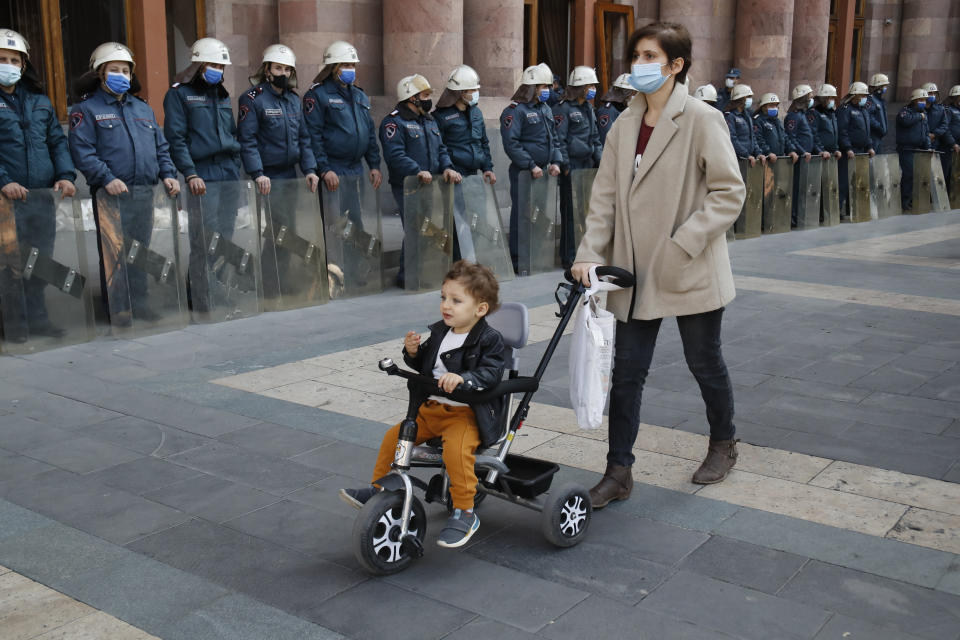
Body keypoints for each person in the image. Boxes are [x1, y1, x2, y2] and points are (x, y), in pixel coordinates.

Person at [571, 22, 745, 507]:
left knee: (704, 362)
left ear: (676, 65)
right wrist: (589, 253)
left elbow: (730, 191)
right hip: (632, 270)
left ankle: (723, 443)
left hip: (687, 264)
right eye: (636, 55)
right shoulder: (624, 124)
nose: (640, 65)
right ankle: (618, 470)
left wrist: (684, 241)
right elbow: (603, 197)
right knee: (626, 373)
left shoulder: (702, 119)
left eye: (651, 56)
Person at [340, 260, 506, 548]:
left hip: (465, 414)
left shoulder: (489, 340)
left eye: (456, 300)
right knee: (394, 437)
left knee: (456, 451)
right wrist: (412, 352)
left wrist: (463, 377)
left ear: (480, 309)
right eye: (443, 298)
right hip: (432, 410)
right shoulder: (443, 331)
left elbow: (491, 373)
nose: (446, 305)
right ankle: (379, 488)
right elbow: (425, 364)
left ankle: (465, 511)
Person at [69, 42, 179, 326]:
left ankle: (139, 303)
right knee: (114, 251)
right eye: (114, 70)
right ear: (100, 74)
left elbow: (161, 147)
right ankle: (117, 308)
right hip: (110, 194)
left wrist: (167, 173)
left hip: (143, 192)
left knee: (138, 250)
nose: (121, 75)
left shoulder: (142, 108)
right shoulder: (86, 109)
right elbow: (83, 152)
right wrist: (107, 178)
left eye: (126, 71)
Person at [0, 29, 76, 342]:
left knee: (39, 259)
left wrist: (66, 176)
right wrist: (4, 181)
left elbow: (57, 143)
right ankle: (13, 323)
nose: (8, 64)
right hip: (6, 200)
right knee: (10, 262)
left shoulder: (40, 102)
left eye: (13, 59)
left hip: (42, 197)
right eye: (2, 59)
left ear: (24, 64)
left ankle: (39, 319)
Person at [163, 37, 245, 315]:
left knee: (225, 236)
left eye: (221, 65)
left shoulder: (221, 94)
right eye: (212, 64)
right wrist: (189, 172)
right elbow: (176, 138)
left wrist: (236, 170)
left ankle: (218, 287)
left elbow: (231, 135)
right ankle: (200, 293)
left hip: (228, 173)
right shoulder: (179, 94)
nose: (217, 70)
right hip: (202, 173)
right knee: (204, 238)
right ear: (198, 64)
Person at [237, 44, 319, 299]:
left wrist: (310, 169)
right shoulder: (252, 99)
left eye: (286, 68)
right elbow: (247, 140)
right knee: (275, 232)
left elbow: (304, 138)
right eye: (278, 68)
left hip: (290, 175)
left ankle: (279, 280)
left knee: (287, 231)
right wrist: (258, 172)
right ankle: (270, 284)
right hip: (267, 177)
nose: (282, 72)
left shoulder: (293, 99)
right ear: (267, 70)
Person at [379, 74, 461, 287]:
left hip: (431, 184)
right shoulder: (394, 122)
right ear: (411, 97)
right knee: (415, 229)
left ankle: (422, 271)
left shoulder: (428, 120)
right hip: (409, 186)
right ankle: (408, 276)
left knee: (426, 228)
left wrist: (448, 167)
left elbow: (441, 149)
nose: (428, 99)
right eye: (424, 95)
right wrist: (417, 171)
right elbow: (395, 155)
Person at [499, 63, 563, 273]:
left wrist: (556, 161)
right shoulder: (515, 111)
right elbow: (512, 143)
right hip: (525, 173)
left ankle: (535, 256)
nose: (547, 90)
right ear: (532, 87)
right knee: (522, 215)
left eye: (547, 86)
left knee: (539, 215)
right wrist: (530, 164)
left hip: (543, 172)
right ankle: (519, 261)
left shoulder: (544, 108)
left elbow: (553, 138)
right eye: (543, 86)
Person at [303, 41, 382, 199]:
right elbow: (313, 135)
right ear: (333, 68)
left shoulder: (360, 95)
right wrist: (324, 169)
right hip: (333, 169)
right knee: (335, 221)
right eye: (345, 65)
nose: (350, 69)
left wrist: (374, 165)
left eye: (352, 65)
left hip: (356, 168)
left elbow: (369, 133)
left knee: (355, 221)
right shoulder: (318, 94)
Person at [555, 66, 602, 269]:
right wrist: (565, 165)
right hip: (571, 166)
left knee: (584, 211)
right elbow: (560, 139)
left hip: (587, 165)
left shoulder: (588, 109)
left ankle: (582, 252)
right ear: (581, 87)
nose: (593, 89)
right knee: (570, 212)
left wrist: (601, 161)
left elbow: (595, 138)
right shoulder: (564, 108)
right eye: (590, 85)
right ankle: (568, 255)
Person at [837, 81, 876, 215]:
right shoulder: (845, 110)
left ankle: (851, 209)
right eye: (862, 95)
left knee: (856, 181)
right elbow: (842, 131)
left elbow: (866, 131)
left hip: (861, 151)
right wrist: (847, 148)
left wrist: (869, 146)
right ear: (854, 95)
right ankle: (838, 210)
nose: (864, 98)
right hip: (849, 151)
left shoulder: (863, 110)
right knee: (844, 182)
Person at [896, 88, 932, 211]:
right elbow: (905, 121)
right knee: (909, 174)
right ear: (915, 100)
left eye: (924, 100)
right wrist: (919, 116)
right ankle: (904, 201)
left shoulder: (923, 114)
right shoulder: (905, 111)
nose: (923, 102)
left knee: (917, 176)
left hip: (919, 149)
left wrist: (928, 146)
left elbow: (926, 132)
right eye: (921, 100)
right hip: (906, 149)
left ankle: (911, 200)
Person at [921, 82, 955, 183]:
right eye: (930, 93)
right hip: (921, 142)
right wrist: (926, 135)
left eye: (934, 93)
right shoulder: (918, 108)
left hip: (936, 142)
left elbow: (944, 125)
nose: (932, 96)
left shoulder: (940, 109)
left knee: (935, 173)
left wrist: (934, 134)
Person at [723, 83, 762, 166]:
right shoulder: (730, 116)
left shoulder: (747, 116)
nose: (750, 99)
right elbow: (732, 139)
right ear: (741, 98)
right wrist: (746, 155)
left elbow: (752, 137)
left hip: (748, 160)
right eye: (748, 97)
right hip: (737, 161)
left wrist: (758, 153)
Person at [753, 93, 796, 163]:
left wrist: (791, 150)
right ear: (763, 107)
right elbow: (758, 139)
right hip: (766, 160)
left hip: (780, 159)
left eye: (775, 105)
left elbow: (784, 137)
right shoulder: (758, 121)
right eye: (771, 105)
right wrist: (768, 152)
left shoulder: (777, 121)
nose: (774, 107)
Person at [597, 74, 638, 145]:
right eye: (633, 93)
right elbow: (606, 138)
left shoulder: (623, 108)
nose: (633, 96)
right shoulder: (608, 111)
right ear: (626, 93)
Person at [809, 84, 842, 159]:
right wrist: (821, 150)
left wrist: (836, 149)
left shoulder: (831, 112)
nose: (833, 101)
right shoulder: (814, 112)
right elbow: (813, 134)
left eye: (834, 98)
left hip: (831, 155)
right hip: (819, 155)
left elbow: (834, 133)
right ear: (824, 98)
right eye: (831, 98)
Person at [867, 73, 890, 153]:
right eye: (884, 86)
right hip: (873, 136)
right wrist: (879, 127)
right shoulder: (870, 100)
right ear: (878, 87)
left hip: (879, 137)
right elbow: (869, 117)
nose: (885, 88)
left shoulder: (880, 100)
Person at [945, 85, 960, 195]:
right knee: (949, 172)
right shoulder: (949, 110)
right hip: (952, 146)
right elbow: (945, 128)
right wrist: (953, 143)